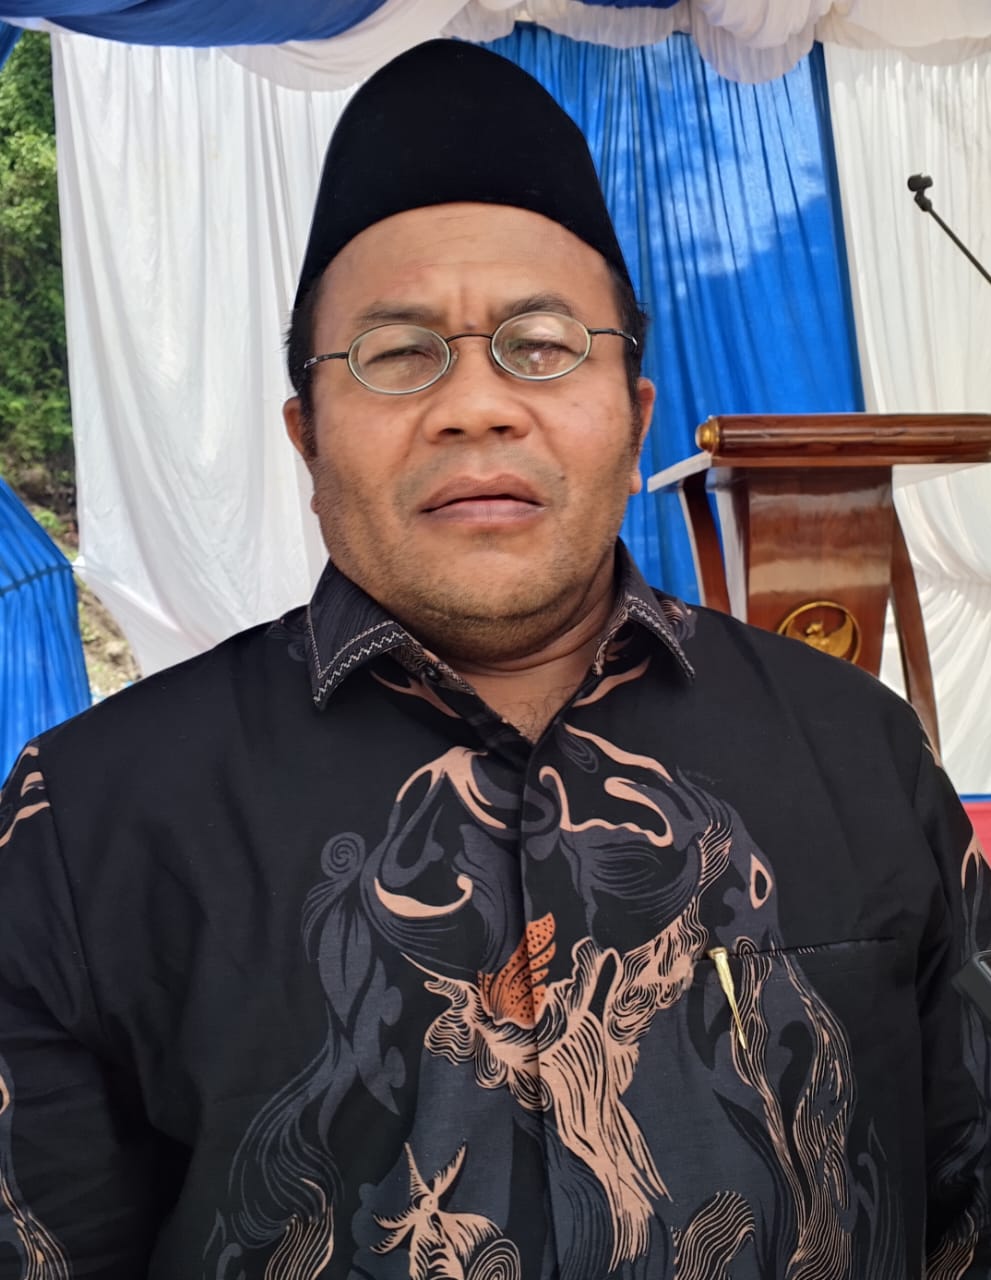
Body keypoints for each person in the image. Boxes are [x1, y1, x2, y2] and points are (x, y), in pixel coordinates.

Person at [0, 37, 988, 1280]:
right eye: (397, 353)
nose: (476, 404)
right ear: (307, 436)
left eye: (541, 342)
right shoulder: (92, 820)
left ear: (632, 417)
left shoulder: (857, 752)